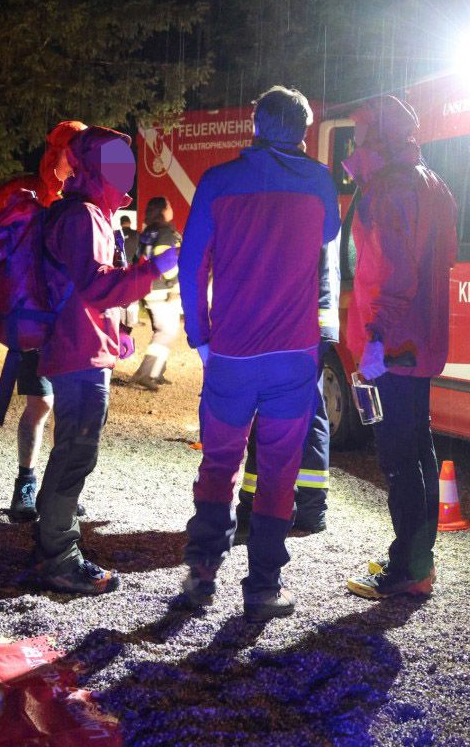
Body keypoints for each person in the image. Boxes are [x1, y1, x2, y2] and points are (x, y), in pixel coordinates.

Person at [178, 86, 340, 621]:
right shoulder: (319, 181)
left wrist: (201, 336)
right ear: (303, 130)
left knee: (219, 461)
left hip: (231, 353)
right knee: (279, 471)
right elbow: (330, 233)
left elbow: (192, 262)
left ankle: (203, 570)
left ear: (255, 124)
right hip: (294, 355)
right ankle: (264, 585)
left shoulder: (217, 180)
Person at [35, 125, 173, 595]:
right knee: (77, 450)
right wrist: (156, 267)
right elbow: (97, 287)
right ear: (96, 166)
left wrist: (117, 334)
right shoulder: (85, 216)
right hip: (78, 350)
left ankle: (52, 542)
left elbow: (88, 285)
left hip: (82, 344)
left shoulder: (86, 211)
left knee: (72, 448)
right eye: (116, 162)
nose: (126, 170)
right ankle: (60, 557)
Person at [343, 95, 458, 602]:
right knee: (418, 449)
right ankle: (418, 560)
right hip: (421, 342)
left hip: (394, 344)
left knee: (398, 457)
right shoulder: (430, 182)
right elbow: (441, 258)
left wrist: (375, 337)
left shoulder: (388, 190)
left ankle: (408, 569)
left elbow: (393, 273)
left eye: (359, 135)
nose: (353, 144)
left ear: (379, 139)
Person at [235, 202, 340, 538]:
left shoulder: (291, 207)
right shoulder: (314, 205)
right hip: (308, 329)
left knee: (272, 411)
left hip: (291, 329)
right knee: (308, 415)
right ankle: (307, 508)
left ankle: (258, 507)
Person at [7, 121, 86, 523]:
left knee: (71, 411)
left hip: (76, 325)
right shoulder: (34, 201)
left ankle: (58, 488)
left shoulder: (90, 201)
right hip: (39, 322)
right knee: (40, 405)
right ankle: (26, 482)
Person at [130, 196, 183, 390]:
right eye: (169, 205)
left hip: (149, 287)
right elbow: (167, 262)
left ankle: (156, 371)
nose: (171, 209)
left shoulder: (148, 232)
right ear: (163, 210)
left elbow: (138, 258)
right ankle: (145, 373)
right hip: (163, 290)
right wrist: (173, 285)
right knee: (166, 332)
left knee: (165, 331)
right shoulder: (165, 232)